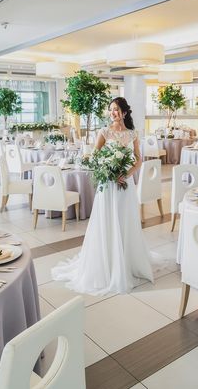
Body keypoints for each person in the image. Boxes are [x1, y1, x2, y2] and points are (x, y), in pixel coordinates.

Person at [51, 97, 154, 294]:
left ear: (124, 112)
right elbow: (95, 157)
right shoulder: (104, 132)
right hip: (108, 184)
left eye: (116, 109)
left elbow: (138, 160)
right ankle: (107, 262)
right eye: (111, 109)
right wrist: (108, 170)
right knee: (107, 220)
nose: (113, 113)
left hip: (125, 184)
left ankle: (127, 260)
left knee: (125, 220)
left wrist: (126, 175)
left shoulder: (133, 134)